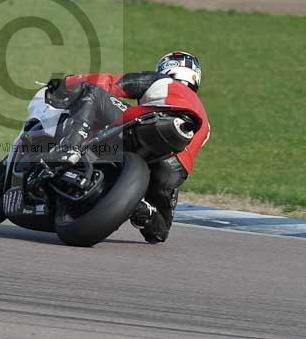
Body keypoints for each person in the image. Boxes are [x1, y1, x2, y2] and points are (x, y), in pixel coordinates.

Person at [42, 51, 210, 244]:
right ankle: (142, 210)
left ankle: (70, 148)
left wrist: (66, 84)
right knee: (159, 231)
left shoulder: (162, 81)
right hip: (175, 166)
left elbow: (111, 82)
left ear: (166, 68)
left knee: (92, 92)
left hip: (150, 124)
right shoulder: (205, 120)